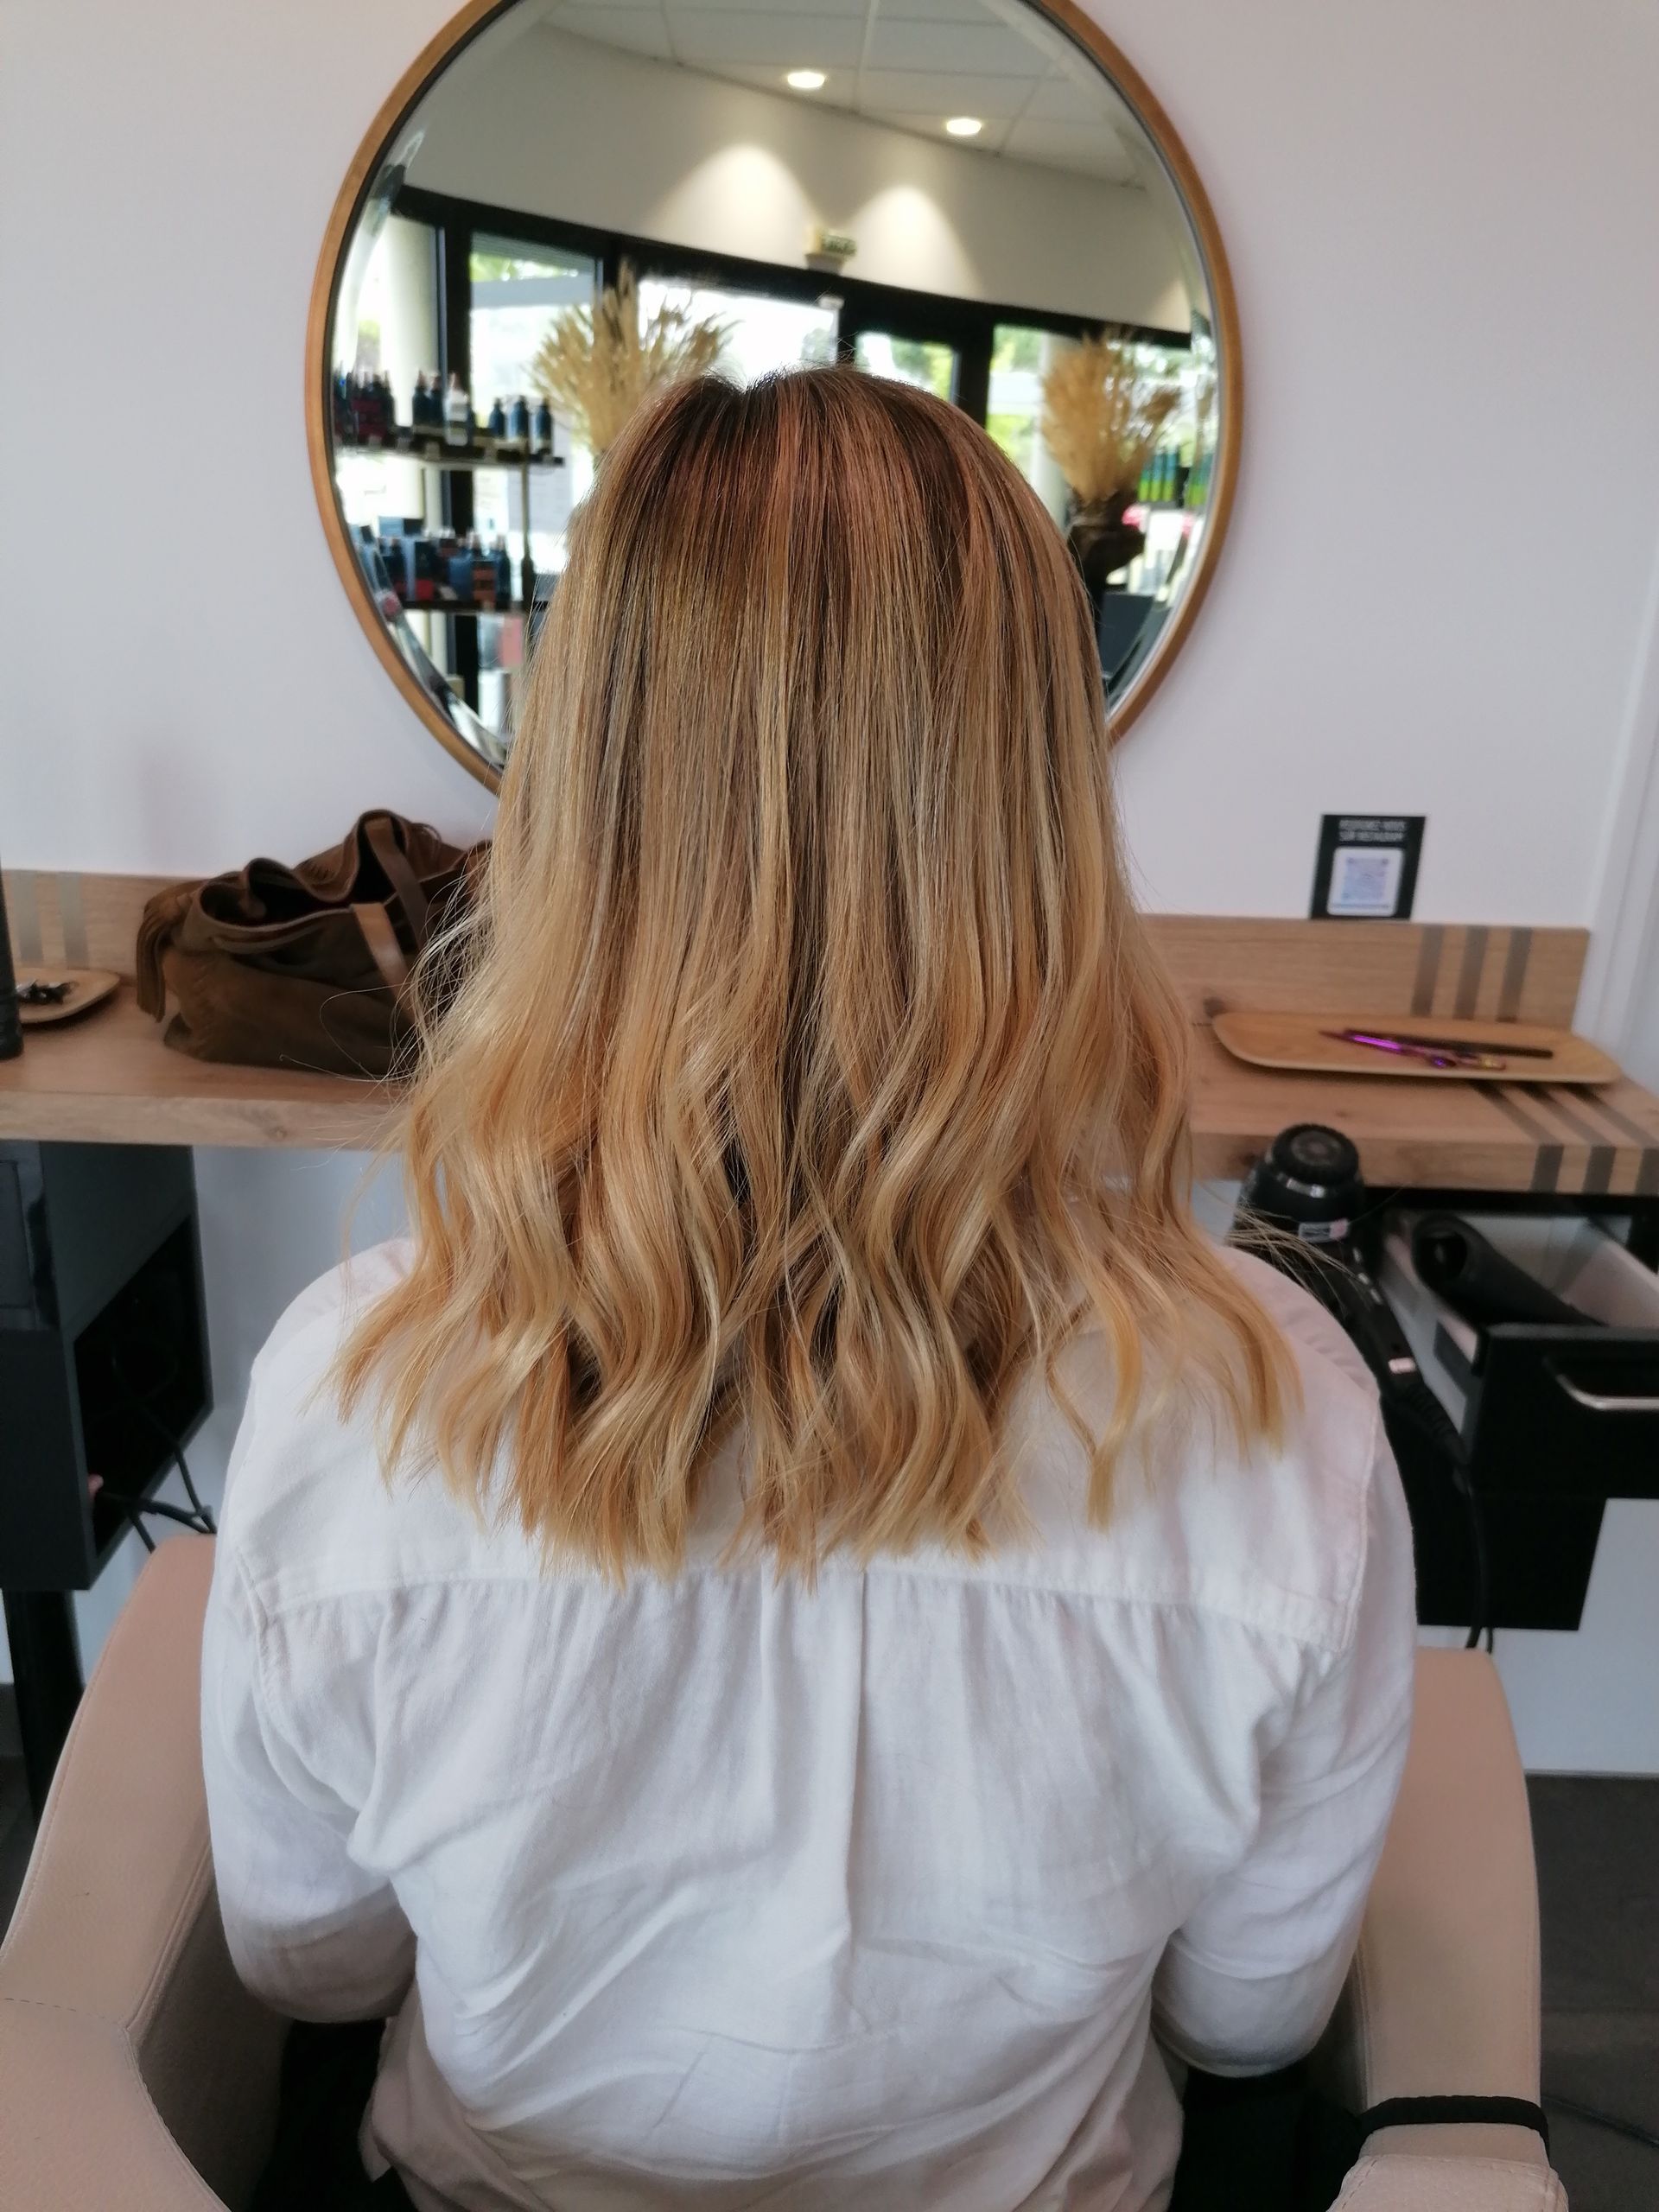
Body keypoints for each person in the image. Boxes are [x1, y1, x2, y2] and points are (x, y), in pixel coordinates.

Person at [202, 368, 1416, 2212]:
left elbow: (316, 1967)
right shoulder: (1282, 1409)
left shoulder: (352, 1390)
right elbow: (1250, 2017)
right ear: (1042, 809)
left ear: (581, 790)